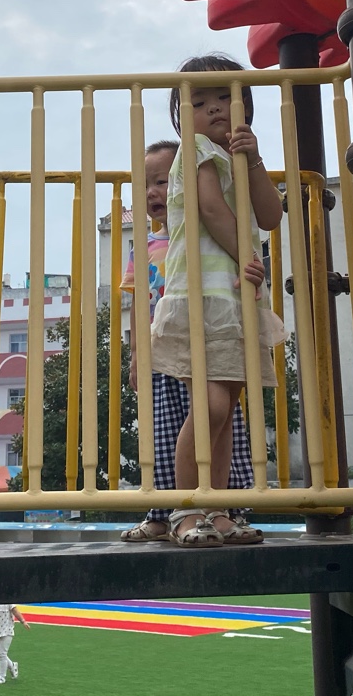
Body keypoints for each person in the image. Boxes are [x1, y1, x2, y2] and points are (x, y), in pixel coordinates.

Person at [151, 53, 283, 548]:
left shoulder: (237, 156)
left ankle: (217, 510)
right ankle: (187, 509)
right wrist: (248, 254)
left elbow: (270, 215)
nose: (212, 109)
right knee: (210, 405)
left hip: (236, 299)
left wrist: (256, 159)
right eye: (197, 102)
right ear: (181, 116)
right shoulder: (195, 149)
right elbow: (209, 207)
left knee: (226, 413)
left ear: (245, 105)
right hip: (200, 297)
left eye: (224, 98)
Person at [120, 139, 262, 545]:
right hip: (165, 349)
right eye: (145, 185)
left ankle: (221, 508)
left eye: (162, 181)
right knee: (164, 436)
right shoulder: (146, 248)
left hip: (207, 342)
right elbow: (139, 303)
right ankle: (163, 514)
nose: (153, 192)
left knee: (217, 421)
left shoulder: (205, 242)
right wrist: (137, 354)